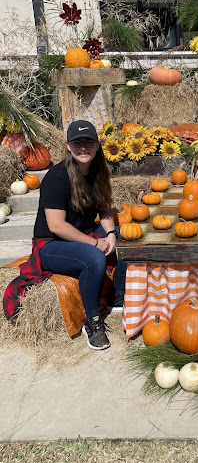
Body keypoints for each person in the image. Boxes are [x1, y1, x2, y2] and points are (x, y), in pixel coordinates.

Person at [3, 120, 125, 350]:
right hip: (51, 244)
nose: (83, 147)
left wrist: (109, 234)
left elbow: (105, 208)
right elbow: (57, 226)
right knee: (94, 257)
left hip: (83, 233)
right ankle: (93, 321)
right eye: (77, 143)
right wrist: (94, 242)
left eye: (88, 142)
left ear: (97, 145)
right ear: (68, 146)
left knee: (127, 236)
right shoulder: (57, 178)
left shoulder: (98, 172)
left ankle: (117, 295)